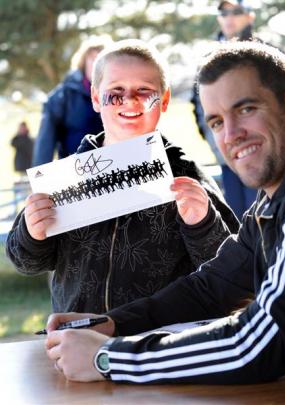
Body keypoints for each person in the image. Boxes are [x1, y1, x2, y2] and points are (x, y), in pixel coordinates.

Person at [44, 41, 285, 386]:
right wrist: (112, 323)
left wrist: (108, 358)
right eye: (217, 121)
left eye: (246, 109)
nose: (231, 135)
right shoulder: (283, 188)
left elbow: (257, 344)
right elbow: (211, 287)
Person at [6, 39, 238, 315]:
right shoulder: (66, 178)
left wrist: (203, 223)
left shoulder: (186, 175)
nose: (130, 100)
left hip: (157, 340)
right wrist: (32, 232)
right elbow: (27, 262)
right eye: (116, 91)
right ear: (95, 98)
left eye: (144, 90)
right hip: (78, 338)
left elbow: (231, 270)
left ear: (163, 101)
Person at [190, 0, 257, 219]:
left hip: (260, 158)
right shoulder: (206, 59)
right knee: (238, 223)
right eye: (223, 12)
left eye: (235, 12)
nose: (229, 17)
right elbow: (200, 108)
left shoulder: (265, 54)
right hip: (227, 158)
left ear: (249, 16)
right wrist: (219, 147)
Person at [32, 36, 110, 166]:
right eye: (92, 58)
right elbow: (45, 141)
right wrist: (40, 179)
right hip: (76, 171)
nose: (97, 63)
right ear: (83, 62)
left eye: (101, 58)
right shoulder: (62, 96)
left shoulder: (121, 93)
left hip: (116, 168)